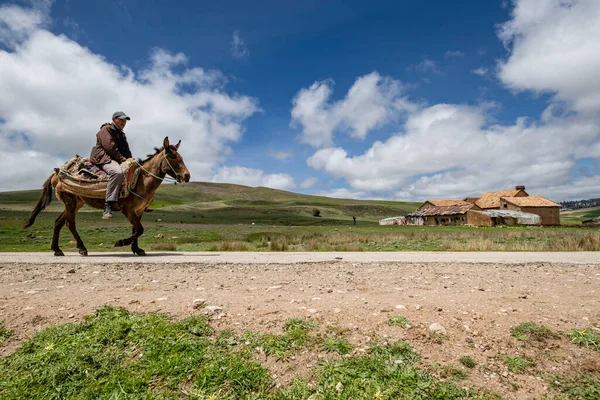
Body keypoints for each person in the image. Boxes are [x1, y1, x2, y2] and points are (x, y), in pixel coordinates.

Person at [89, 111, 133, 219]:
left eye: (125, 120)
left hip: (116, 158)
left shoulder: (122, 134)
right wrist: (123, 160)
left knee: (136, 171)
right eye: (121, 120)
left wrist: (131, 160)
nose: (123, 122)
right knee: (116, 172)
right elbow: (109, 147)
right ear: (114, 119)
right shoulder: (106, 130)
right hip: (104, 158)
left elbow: (126, 150)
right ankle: (108, 205)